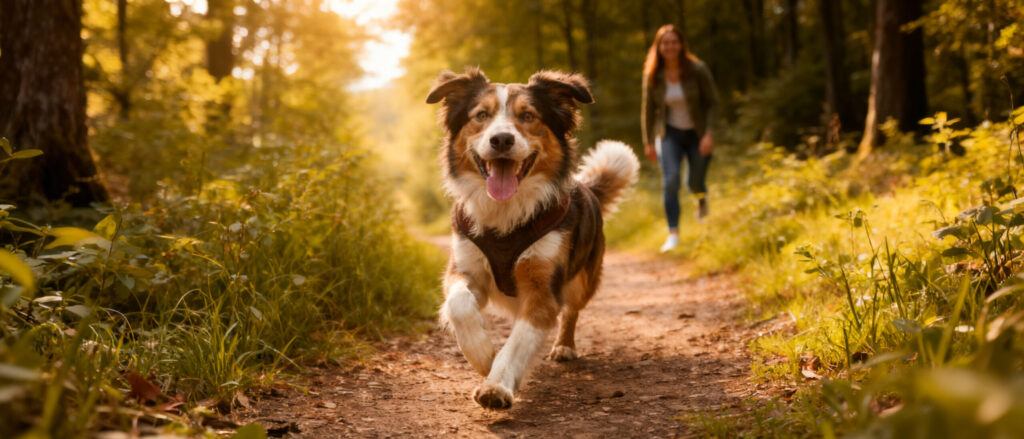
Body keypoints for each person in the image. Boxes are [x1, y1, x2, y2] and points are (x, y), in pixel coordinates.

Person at [641, 24, 719, 253]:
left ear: (681, 45)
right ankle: (673, 233)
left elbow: (713, 102)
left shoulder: (697, 69)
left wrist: (709, 134)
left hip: (698, 133)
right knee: (671, 179)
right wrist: (648, 142)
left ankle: (701, 199)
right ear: (659, 46)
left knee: (694, 182)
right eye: (665, 43)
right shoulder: (653, 73)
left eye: (674, 42)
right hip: (669, 134)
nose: (670, 46)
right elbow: (647, 110)